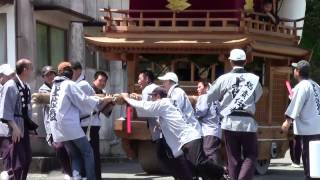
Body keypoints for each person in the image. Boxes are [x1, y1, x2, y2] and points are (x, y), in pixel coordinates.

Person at [121, 87, 225, 180]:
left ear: (158, 96)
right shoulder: (167, 105)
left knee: (199, 163)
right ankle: (218, 176)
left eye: (153, 97)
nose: (151, 99)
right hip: (181, 144)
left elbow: (144, 106)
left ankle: (222, 171)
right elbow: (149, 110)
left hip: (189, 138)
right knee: (183, 166)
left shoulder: (163, 103)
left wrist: (127, 98)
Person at [49, 62, 113, 180]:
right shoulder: (69, 84)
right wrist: (102, 100)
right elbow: (83, 100)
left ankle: (77, 177)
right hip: (69, 125)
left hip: (57, 127)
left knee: (76, 155)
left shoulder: (55, 86)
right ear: (71, 72)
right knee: (88, 152)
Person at [207, 49, 263, 180]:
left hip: (229, 122)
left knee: (233, 158)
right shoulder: (253, 80)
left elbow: (210, 97)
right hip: (248, 122)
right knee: (251, 155)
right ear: (245, 61)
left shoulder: (223, 79)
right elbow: (258, 96)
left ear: (231, 61)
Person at [281, 60, 320, 180]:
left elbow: (296, 105)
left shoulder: (301, 86)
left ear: (298, 71)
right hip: (317, 127)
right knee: (316, 163)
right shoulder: (316, 85)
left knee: (309, 161)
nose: (294, 71)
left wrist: (287, 121)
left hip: (308, 129)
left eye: (295, 69)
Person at [0, 59, 35, 180]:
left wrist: (30, 128)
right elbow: (6, 109)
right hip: (14, 126)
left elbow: (28, 109)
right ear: (25, 70)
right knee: (17, 161)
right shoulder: (10, 85)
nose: (32, 70)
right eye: (30, 68)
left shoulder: (26, 86)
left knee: (27, 158)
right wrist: (14, 127)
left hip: (24, 126)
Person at [71, 61, 103, 180]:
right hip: (86, 123)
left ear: (78, 71)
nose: (70, 74)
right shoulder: (78, 84)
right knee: (87, 152)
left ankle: (92, 176)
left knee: (89, 153)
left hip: (89, 124)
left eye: (72, 71)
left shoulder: (82, 84)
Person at [38, 66, 72, 179]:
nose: (50, 76)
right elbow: (52, 102)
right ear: (43, 77)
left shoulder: (60, 85)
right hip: (52, 125)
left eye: (52, 74)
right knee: (59, 148)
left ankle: (69, 171)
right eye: (47, 75)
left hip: (65, 124)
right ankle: (67, 172)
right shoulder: (43, 90)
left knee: (68, 149)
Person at [195, 79, 222, 164]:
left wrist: (193, 114)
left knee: (209, 152)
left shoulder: (204, 97)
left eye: (200, 87)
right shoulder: (215, 98)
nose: (197, 89)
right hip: (216, 130)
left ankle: (215, 174)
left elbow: (201, 111)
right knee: (212, 152)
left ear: (206, 88)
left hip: (209, 130)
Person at [0, 64, 15, 179]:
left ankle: (8, 172)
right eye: (8, 76)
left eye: (12, 75)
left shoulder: (10, 87)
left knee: (7, 150)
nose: (11, 78)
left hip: (6, 127)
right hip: (4, 126)